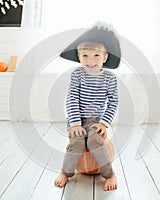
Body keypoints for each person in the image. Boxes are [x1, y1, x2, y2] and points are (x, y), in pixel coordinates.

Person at [54, 23, 121, 191]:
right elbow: (72, 99)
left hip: (96, 121)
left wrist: (103, 124)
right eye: (85, 55)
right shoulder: (77, 74)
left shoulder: (109, 78)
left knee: (94, 141)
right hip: (77, 119)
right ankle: (66, 172)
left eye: (96, 55)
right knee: (76, 143)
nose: (90, 61)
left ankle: (109, 174)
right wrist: (75, 124)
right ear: (79, 56)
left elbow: (113, 102)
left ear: (104, 57)